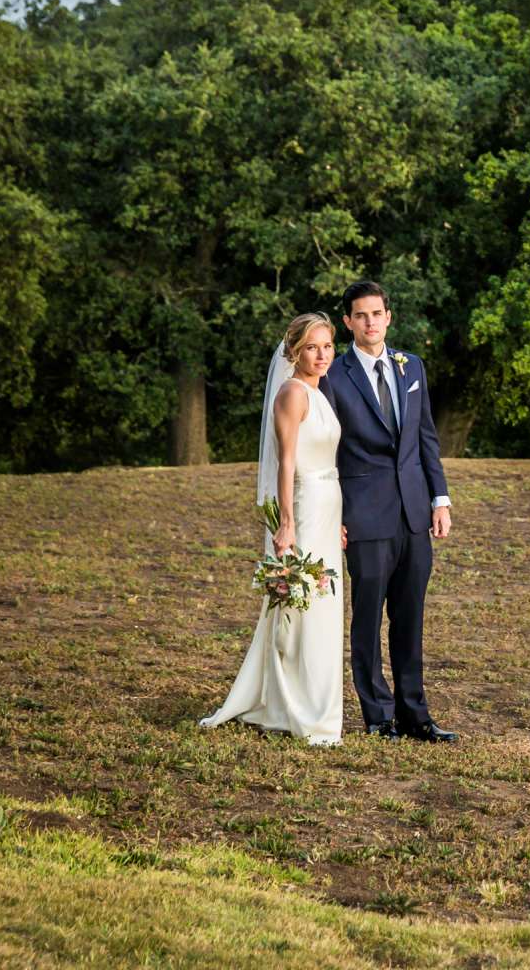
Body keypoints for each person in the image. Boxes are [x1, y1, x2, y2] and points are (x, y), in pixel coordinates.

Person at [201, 312, 346, 745]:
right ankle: (291, 704)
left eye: (327, 346)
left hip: (328, 507)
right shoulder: (293, 394)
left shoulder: (320, 395)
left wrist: (338, 523)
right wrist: (286, 524)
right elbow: (286, 463)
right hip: (303, 507)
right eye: (311, 348)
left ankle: (307, 701)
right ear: (294, 352)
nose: (321, 355)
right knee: (301, 605)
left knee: (322, 606)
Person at [328, 279, 456, 741]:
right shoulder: (333, 376)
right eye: (360, 315)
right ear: (348, 322)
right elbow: (325, 451)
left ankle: (415, 715)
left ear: (388, 317)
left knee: (410, 617)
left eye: (377, 314)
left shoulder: (411, 366)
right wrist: (332, 516)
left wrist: (439, 499)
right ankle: (378, 717)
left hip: (414, 514)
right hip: (362, 515)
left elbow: (426, 439)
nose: (370, 322)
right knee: (367, 620)